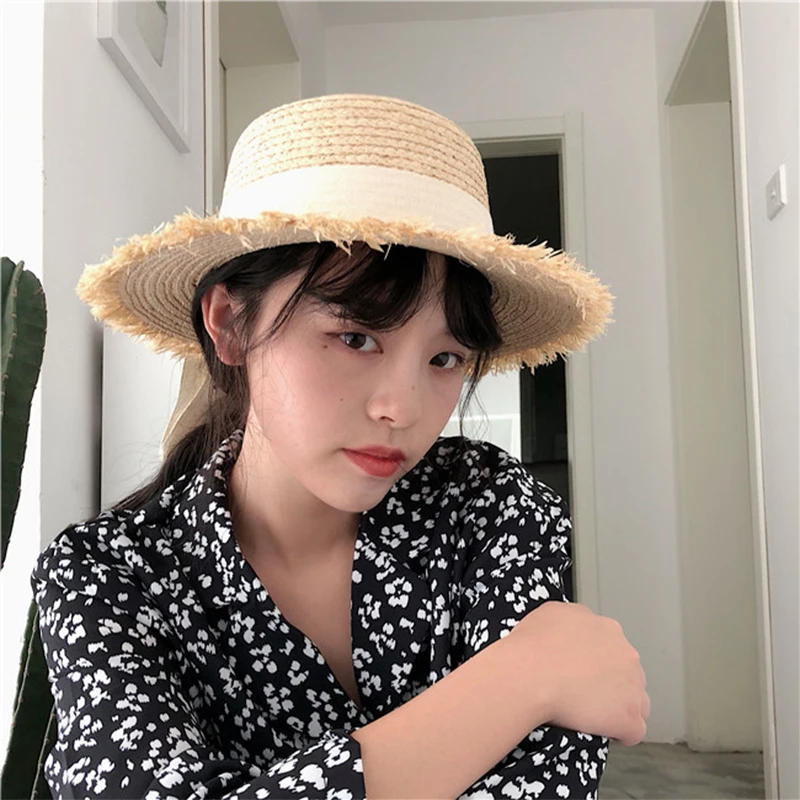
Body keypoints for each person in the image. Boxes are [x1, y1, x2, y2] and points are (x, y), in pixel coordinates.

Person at [31, 94, 649, 799]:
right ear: (230, 323)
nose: (401, 409)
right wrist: (522, 677)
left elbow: (547, 779)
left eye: (445, 358)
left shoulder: (491, 509)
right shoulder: (106, 574)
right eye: (355, 338)